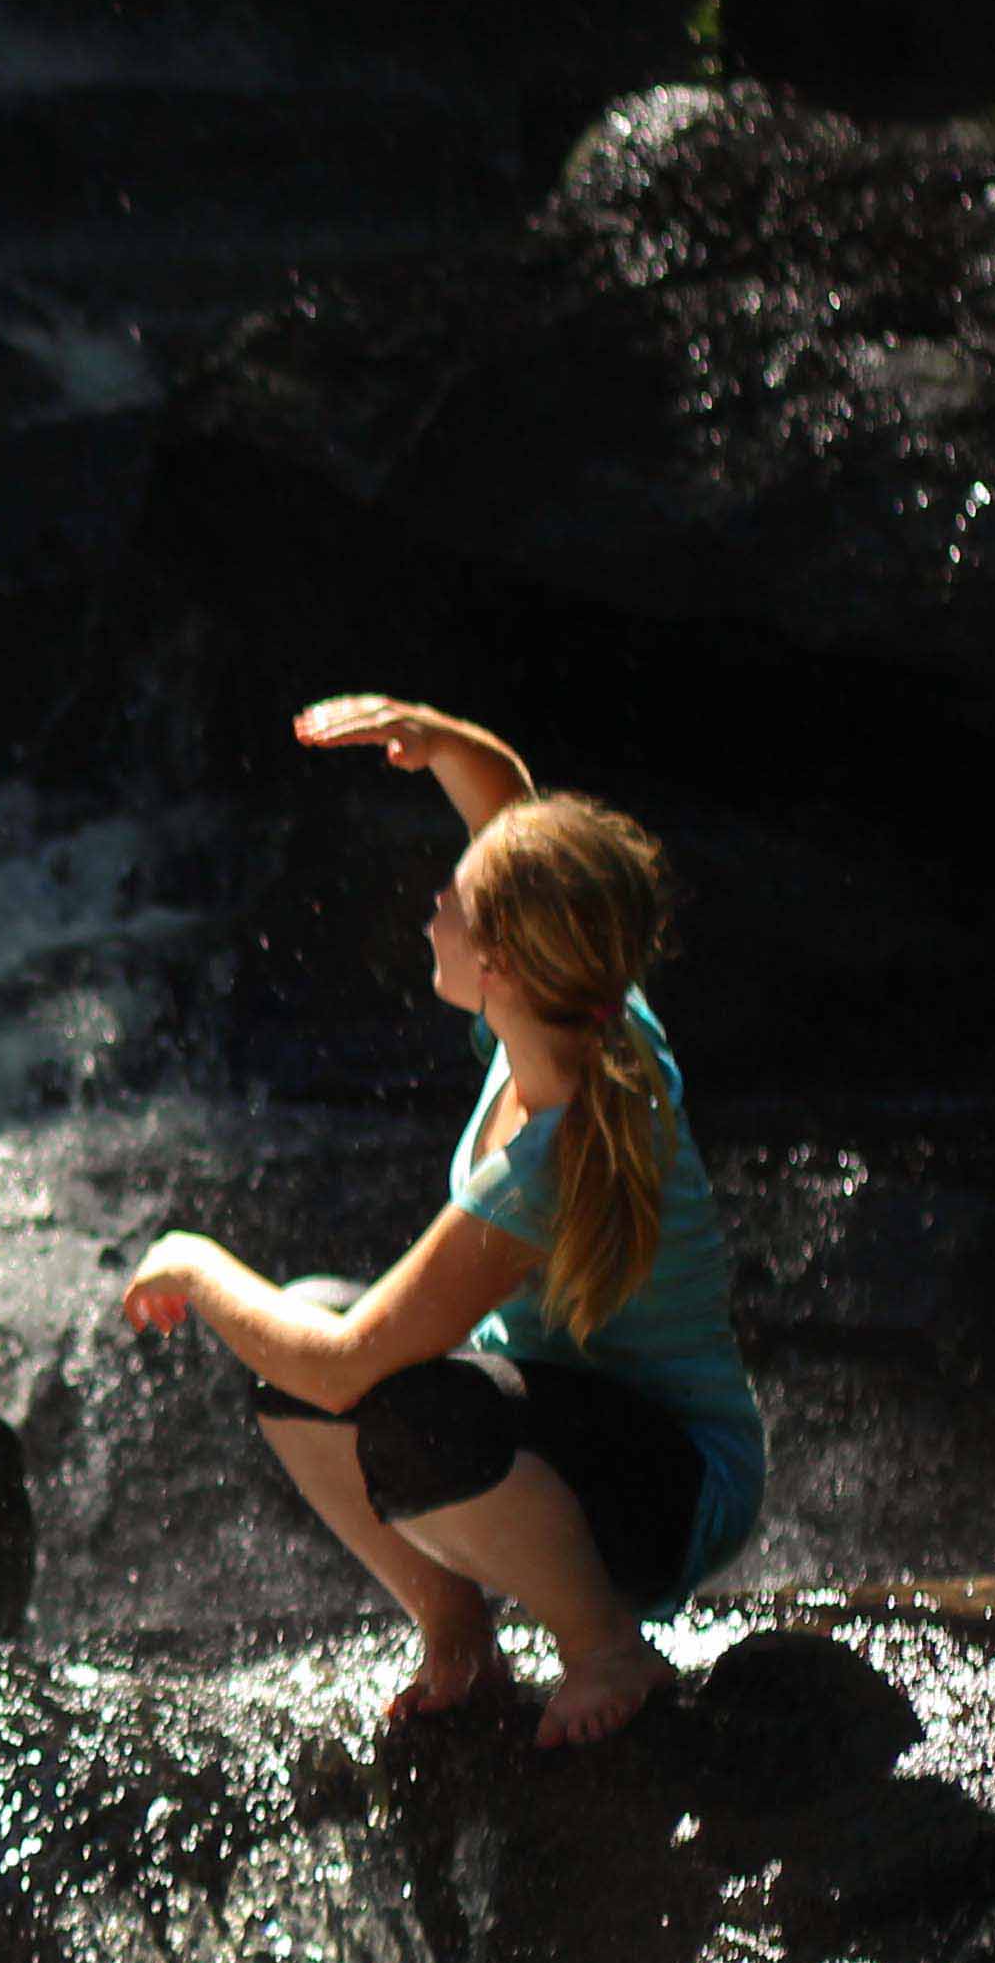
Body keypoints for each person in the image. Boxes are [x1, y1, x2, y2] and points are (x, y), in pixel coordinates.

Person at [121, 695, 762, 1746]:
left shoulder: (551, 1154)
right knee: (295, 1345)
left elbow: (340, 1365)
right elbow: (516, 819)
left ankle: (605, 1646)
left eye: (451, 904)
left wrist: (192, 1261)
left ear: (499, 965)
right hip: (575, 1435)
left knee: (399, 1408)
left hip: (677, 1488)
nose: (431, 910)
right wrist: (440, 741)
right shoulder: (589, 1010)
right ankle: (457, 1633)